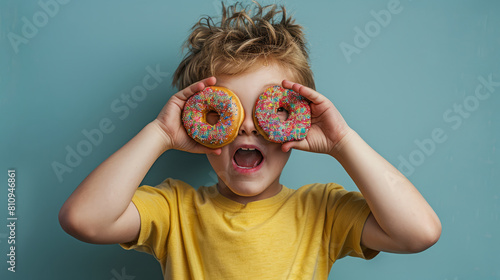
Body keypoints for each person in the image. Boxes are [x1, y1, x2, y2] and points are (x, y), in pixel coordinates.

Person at [59, 2, 441, 279]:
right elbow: (83, 220)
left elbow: (419, 233)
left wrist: (342, 140)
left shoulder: (322, 211)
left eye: (266, 112)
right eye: (227, 112)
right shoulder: (175, 208)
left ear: (297, 119)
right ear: (199, 121)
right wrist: (159, 134)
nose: (246, 128)